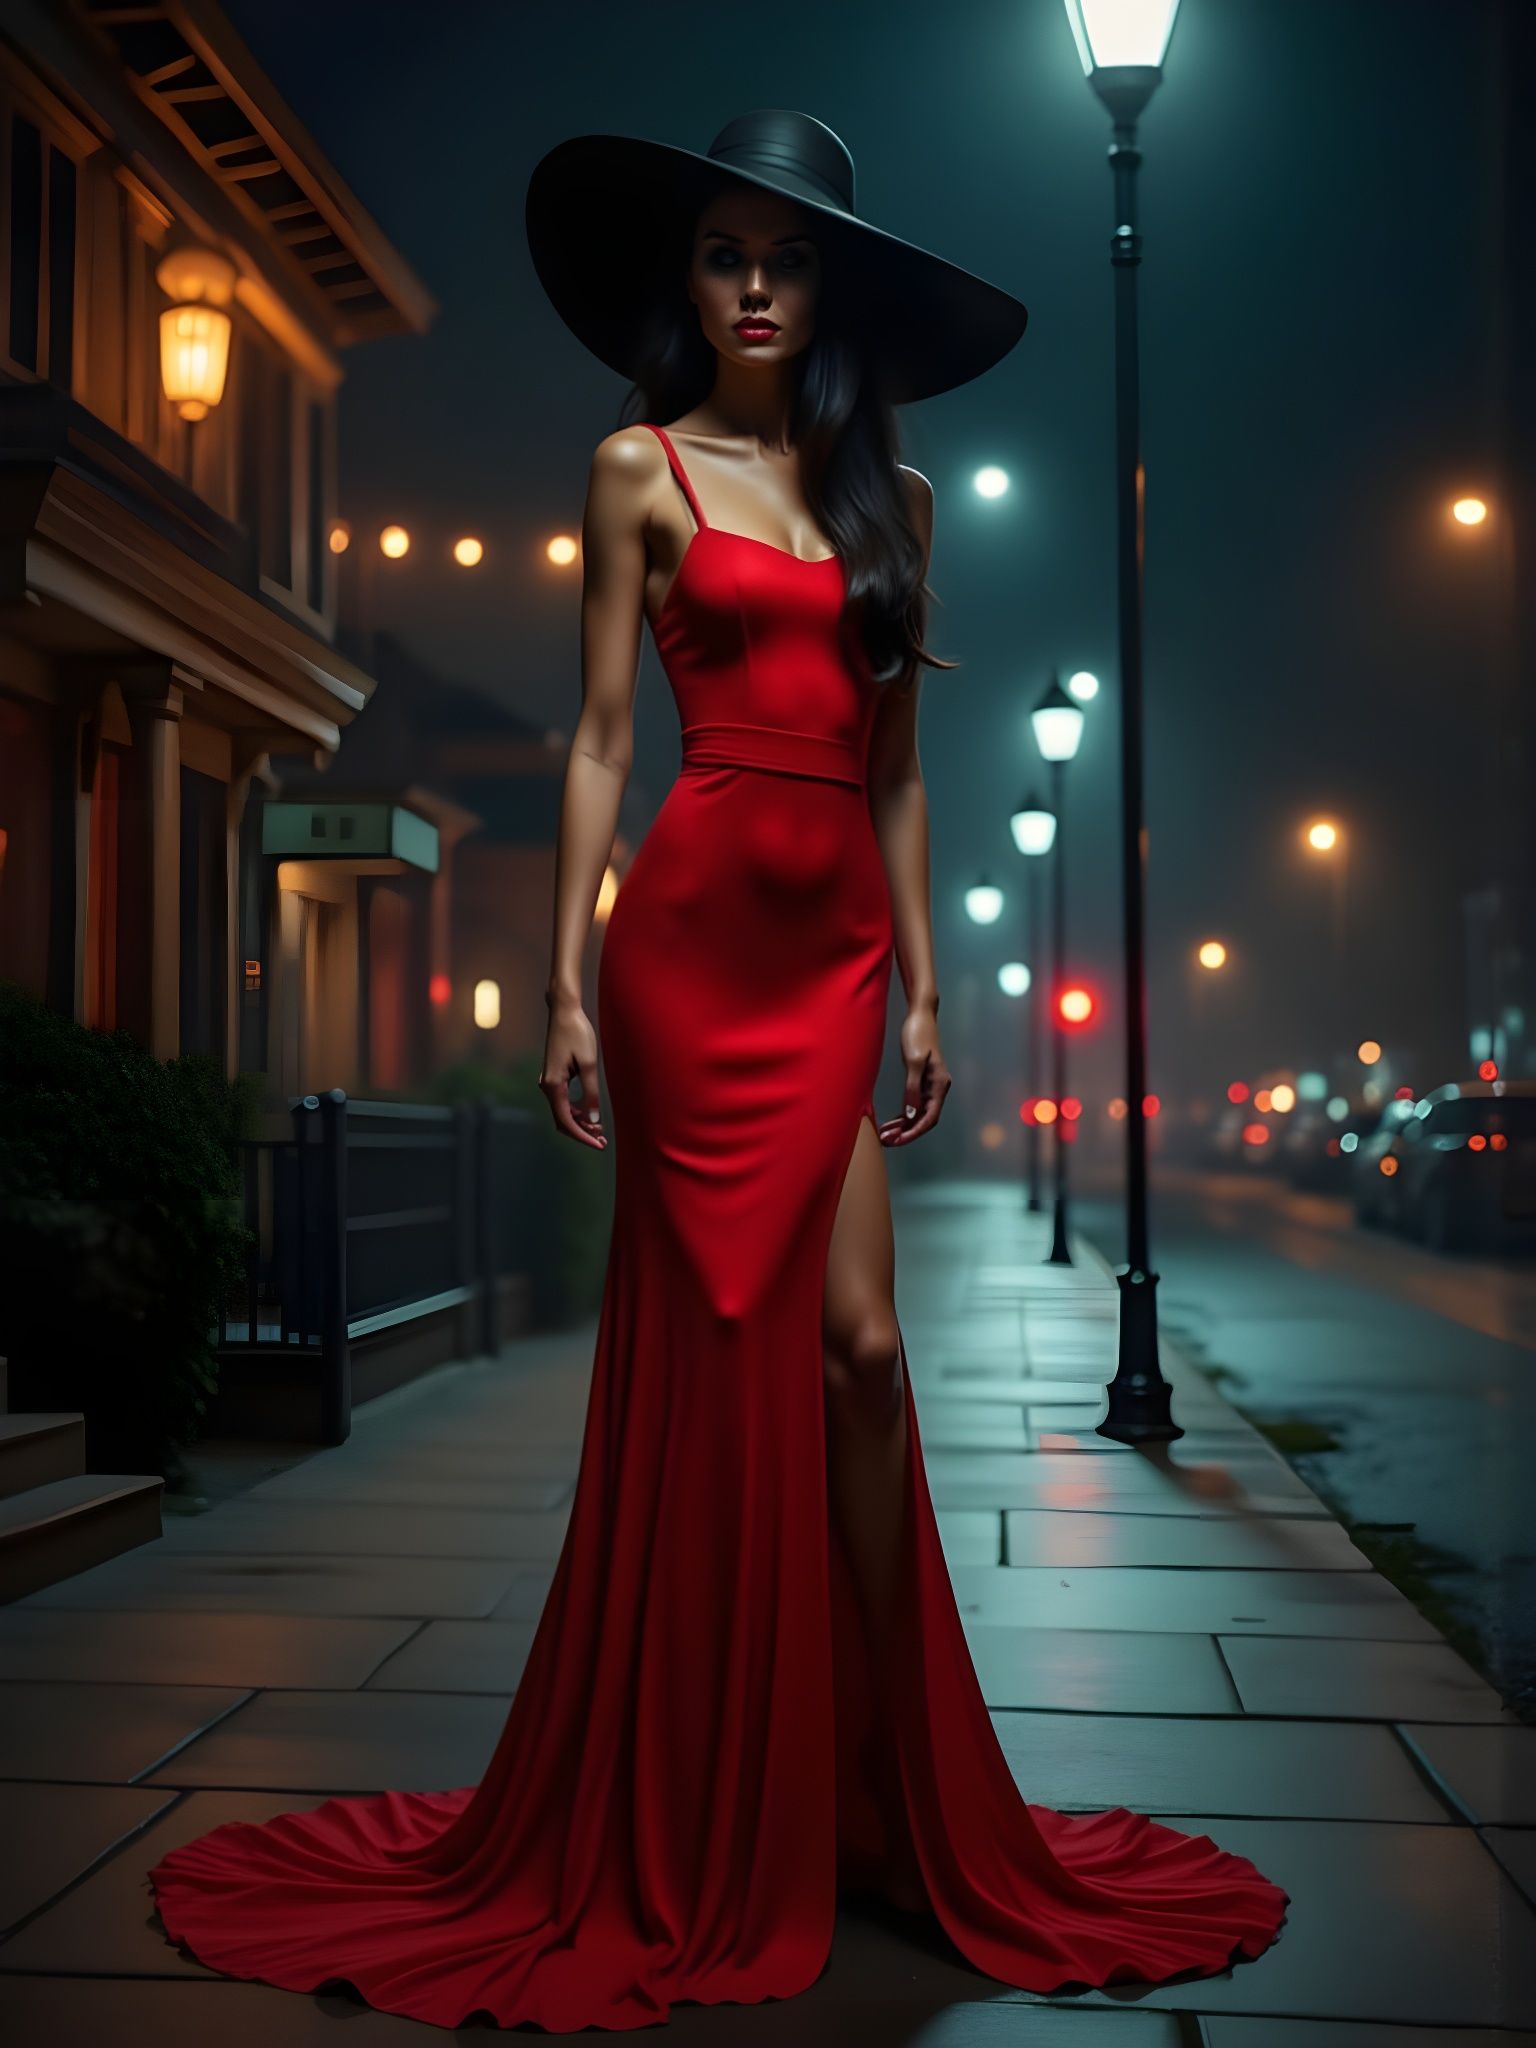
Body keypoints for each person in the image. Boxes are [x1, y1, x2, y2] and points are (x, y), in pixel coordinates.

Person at [146, 108, 1289, 2034]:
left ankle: (870, 1786)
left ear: (829, 292)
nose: (753, 288)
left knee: (854, 1353)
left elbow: (902, 782)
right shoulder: (637, 469)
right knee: (716, 1354)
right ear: (688, 288)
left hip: (839, 955)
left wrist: (930, 996)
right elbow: (602, 741)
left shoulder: (891, 514)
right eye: (721, 258)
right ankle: (698, 1795)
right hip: (685, 953)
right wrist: (572, 980)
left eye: (787, 259)